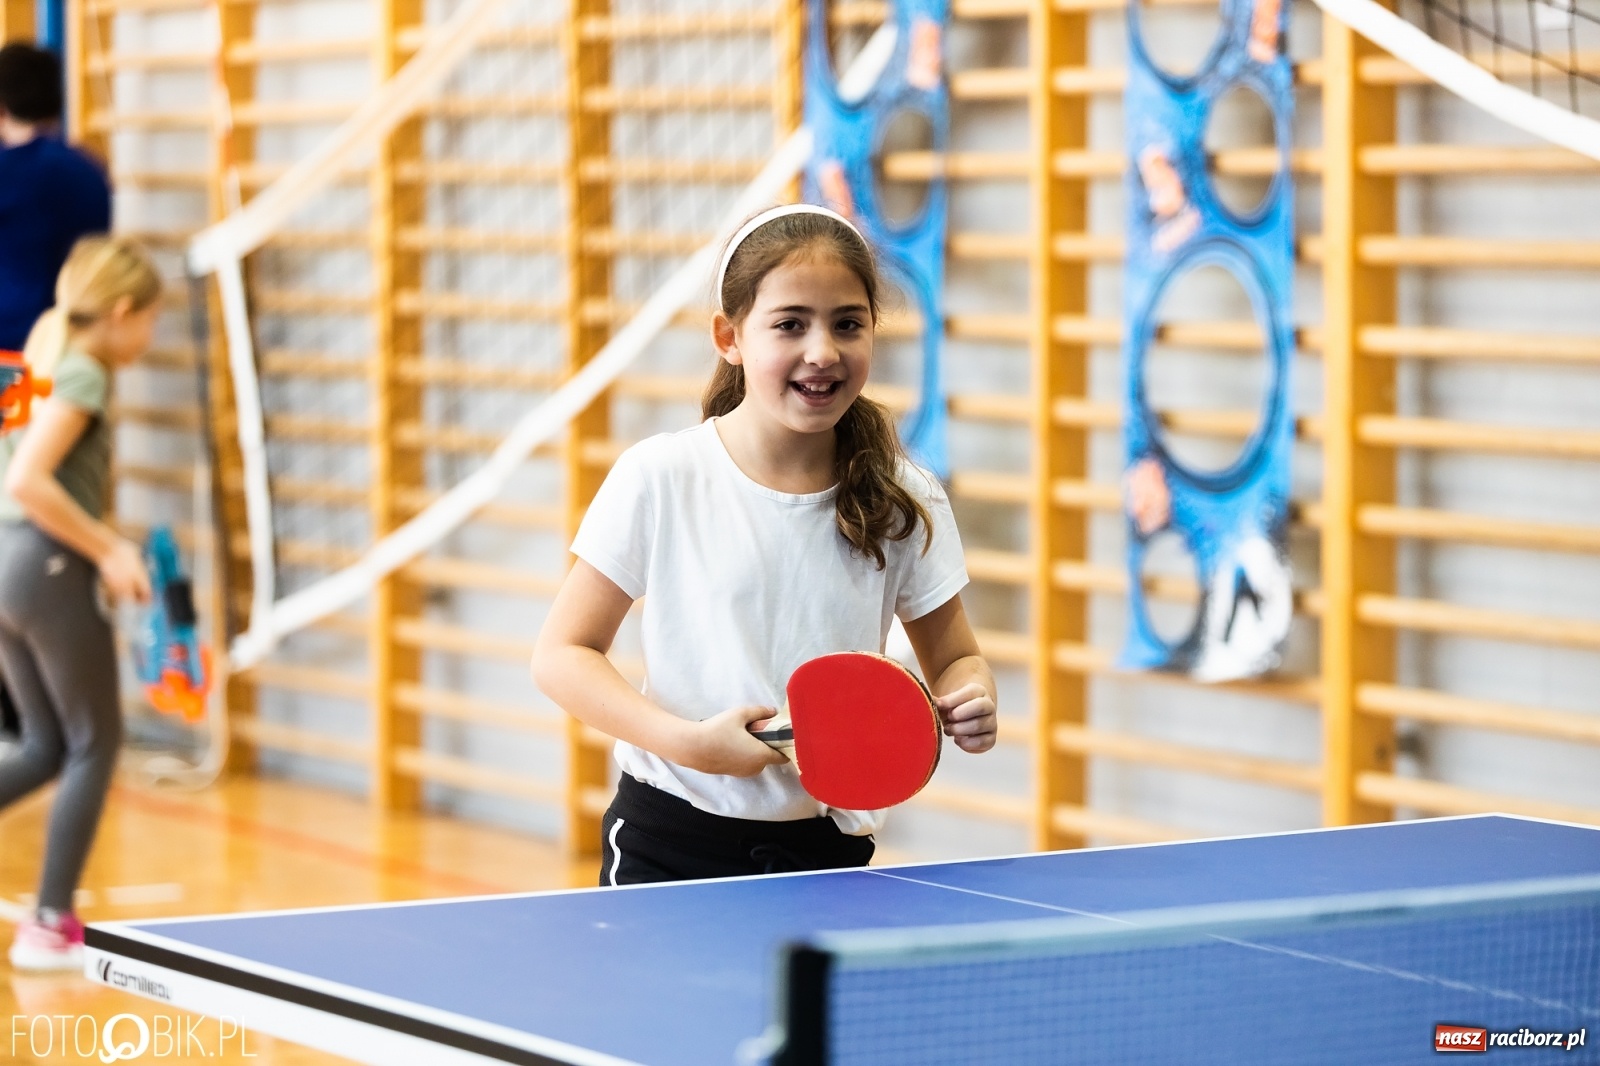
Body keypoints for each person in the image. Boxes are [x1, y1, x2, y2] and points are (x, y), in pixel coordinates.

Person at [533, 204, 998, 886]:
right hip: (670, 841)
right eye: (790, 324)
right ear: (730, 337)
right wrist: (688, 744)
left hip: (829, 854)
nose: (823, 350)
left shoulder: (905, 495)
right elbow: (562, 656)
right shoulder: (662, 476)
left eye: (848, 323)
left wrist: (971, 695)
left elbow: (955, 656)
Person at [0, 237, 160, 970]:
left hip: (8, 567)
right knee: (96, 742)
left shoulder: (46, 349)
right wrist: (110, 550)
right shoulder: (84, 370)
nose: (149, 338)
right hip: (45, 565)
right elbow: (29, 482)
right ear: (122, 312)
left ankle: (50, 918)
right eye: (150, 321)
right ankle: (49, 926)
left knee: (43, 746)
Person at [0, 41, 113, 751]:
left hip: (13, 364)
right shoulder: (86, 173)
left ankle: (21, 708)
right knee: (57, 510)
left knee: (18, 508)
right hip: (64, 361)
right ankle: (38, 701)